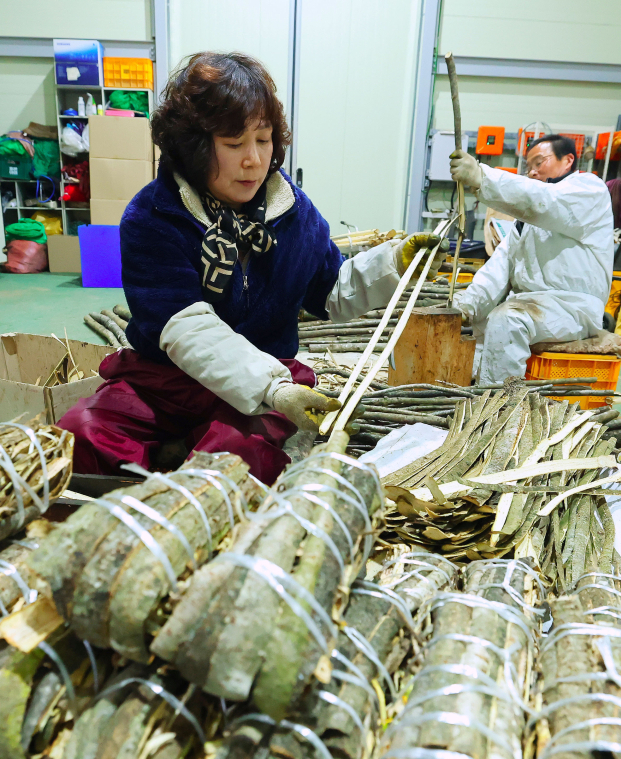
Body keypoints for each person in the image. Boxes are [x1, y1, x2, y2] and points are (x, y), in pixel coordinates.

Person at [59, 52, 444, 484]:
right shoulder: (154, 216)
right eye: (234, 143)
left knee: (234, 461)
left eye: (263, 140)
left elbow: (331, 291)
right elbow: (186, 329)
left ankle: (186, 456)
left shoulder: (295, 215)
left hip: (263, 384)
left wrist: (393, 262)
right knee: (81, 438)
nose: (254, 160)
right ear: (195, 147)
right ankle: (175, 446)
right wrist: (272, 388)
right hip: (164, 381)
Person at [449, 134, 614, 384]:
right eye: (528, 167)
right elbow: (499, 267)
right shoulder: (527, 221)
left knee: (508, 320)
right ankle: (474, 393)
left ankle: (499, 411)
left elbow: (545, 202)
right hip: (535, 305)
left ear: (568, 160)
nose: (532, 172)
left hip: (575, 306)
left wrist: (482, 176)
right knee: (484, 322)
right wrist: (466, 306)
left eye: (539, 162)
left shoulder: (588, 190)